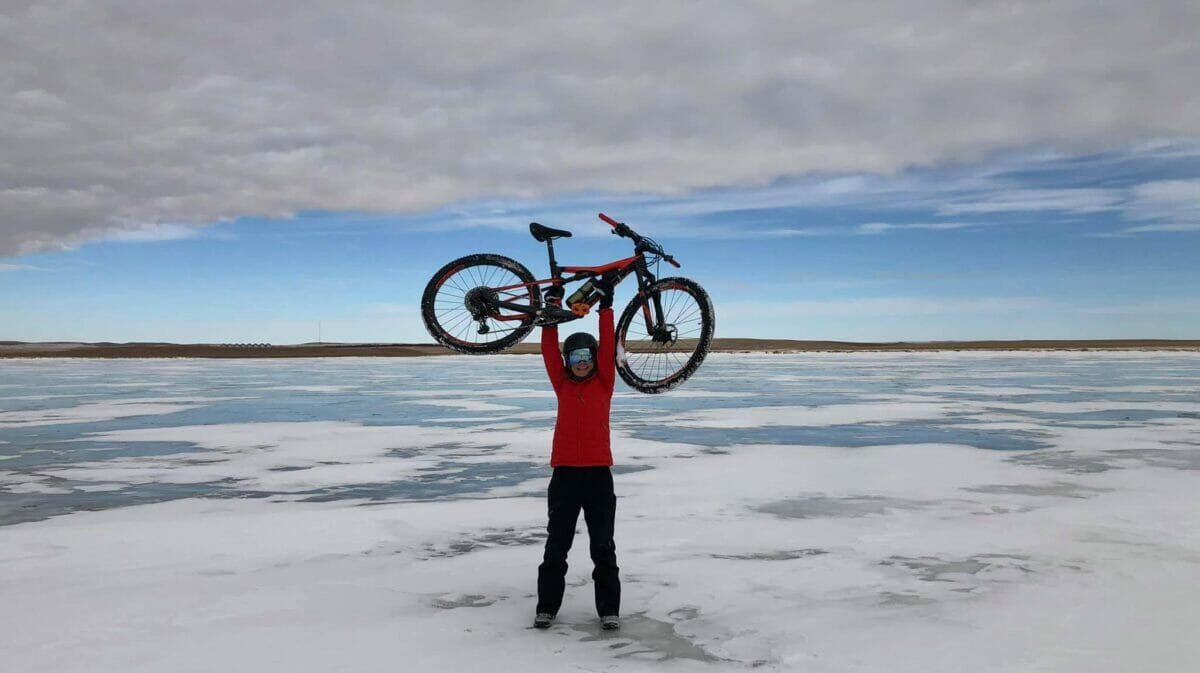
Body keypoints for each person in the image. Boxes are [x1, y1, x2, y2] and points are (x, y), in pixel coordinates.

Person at [533, 278, 620, 631]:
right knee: (556, 546)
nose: (582, 363)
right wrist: (553, 311)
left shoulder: (604, 383)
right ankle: (547, 608)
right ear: (568, 361)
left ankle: (609, 612)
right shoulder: (562, 383)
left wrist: (606, 308)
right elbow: (548, 350)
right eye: (575, 357)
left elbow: (609, 346)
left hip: (599, 476)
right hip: (565, 475)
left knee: (603, 547)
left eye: (587, 356)